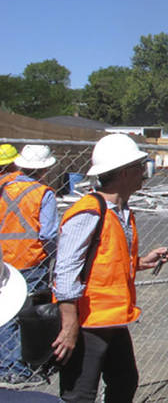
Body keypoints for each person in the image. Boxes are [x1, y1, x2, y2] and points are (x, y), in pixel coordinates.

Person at [50, 133, 168, 403]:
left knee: (125, 382)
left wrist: (141, 262)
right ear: (125, 172)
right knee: (80, 395)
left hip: (113, 319)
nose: (144, 173)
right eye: (140, 167)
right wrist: (69, 326)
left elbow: (106, 261)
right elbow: (67, 270)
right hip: (88, 323)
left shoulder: (121, 210)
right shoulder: (89, 212)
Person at [0, 144, 59, 385]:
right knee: (26, 315)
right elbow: (49, 234)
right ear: (44, 169)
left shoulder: (3, 188)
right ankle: (17, 367)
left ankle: (5, 363)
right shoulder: (44, 193)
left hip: (4, 261)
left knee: (5, 313)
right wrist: (54, 258)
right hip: (30, 262)